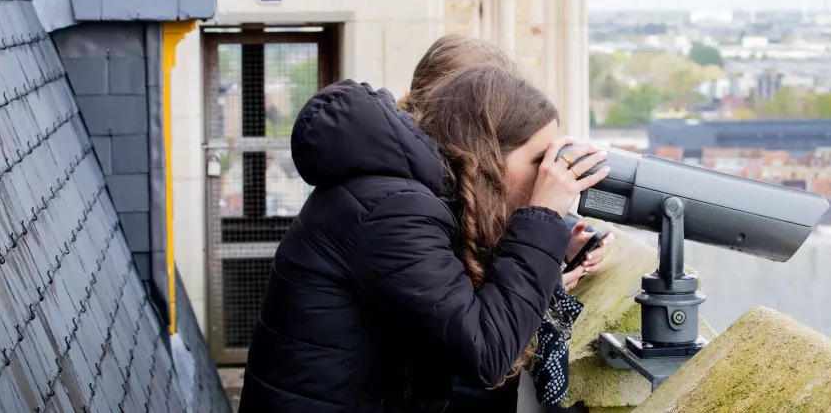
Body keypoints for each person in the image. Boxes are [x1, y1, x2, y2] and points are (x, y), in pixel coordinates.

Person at [238, 64, 610, 412]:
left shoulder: (403, 194)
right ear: (489, 154)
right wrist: (542, 218)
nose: (547, 173)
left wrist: (553, 240)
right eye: (539, 160)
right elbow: (486, 354)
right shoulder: (394, 209)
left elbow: (457, 302)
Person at [399, 34, 612, 411]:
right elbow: (483, 351)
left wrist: (556, 242)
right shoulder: (407, 206)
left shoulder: (425, 184)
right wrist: (543, 257)